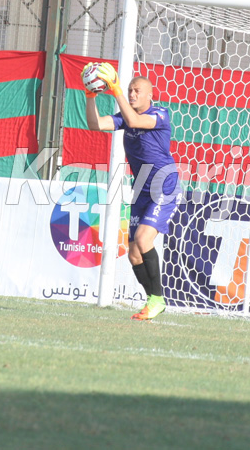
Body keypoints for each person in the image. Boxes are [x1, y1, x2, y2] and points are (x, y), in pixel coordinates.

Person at [84, 62, 181, 321]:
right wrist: (90, 96)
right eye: (129, 90)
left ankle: (158, 299)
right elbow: (95, 125)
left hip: (165, 184)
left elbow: (135, 119)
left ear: (150, 95)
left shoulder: (160, 114)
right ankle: (153, 301)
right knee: (134, 255)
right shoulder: (124, 119)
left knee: (143, 239)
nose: (132, 94)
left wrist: (114, 89)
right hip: (140, 189)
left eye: (137, 90)